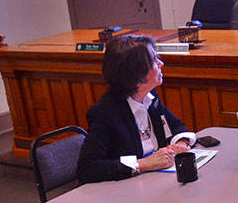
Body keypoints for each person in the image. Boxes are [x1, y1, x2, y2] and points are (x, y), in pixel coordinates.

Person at [76, 35, 194, 183]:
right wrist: (142, 164)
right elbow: (87, 169)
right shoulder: (105, 112)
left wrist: (181, 143)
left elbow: (177, 126)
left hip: (157, 183)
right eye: (154, 61)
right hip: (126, 192)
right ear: (137, 75)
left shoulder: (150, 98)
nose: (161, 64)